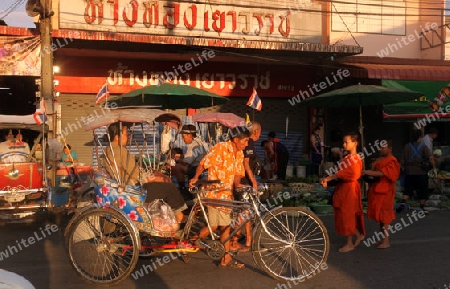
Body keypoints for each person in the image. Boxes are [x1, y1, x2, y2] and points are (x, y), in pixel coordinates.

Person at [189, 126, 250, 269]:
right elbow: (203, 164)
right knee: (225, 227)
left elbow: (236, 176)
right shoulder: (220, 148)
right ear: (236, 140)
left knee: (217, 227)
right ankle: (225, 258)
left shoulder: (240, 153)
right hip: (215, 193)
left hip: (227, 195)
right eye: (245, 141)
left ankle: (192, 242)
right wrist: (195, 177)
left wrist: (241, 187)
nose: (247, 144)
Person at [103, 122, 187, 223]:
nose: (128, 137)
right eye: (126, 134)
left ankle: (169, 215)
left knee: (162, 184)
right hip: (134, 190)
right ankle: (180, 217)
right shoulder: (120, 151)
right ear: (117, 137)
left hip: (127, 188)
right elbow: (136, 174)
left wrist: (152, 175)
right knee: (169, 188)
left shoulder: (109, 150)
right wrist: (154, 178)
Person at [320, 132, 365, 253]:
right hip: (344, 188)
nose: (344, 144)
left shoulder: (355, 159)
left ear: (355, 143)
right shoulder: (348, 158)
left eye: (347, 142)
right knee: (345, 214)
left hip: (349, 189)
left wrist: (328, 179)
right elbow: (340, 174)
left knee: (347, 215)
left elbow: (346, 174)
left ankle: (349, 243)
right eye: (344, 142)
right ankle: (358, 234)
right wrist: (328, 180)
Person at [362, 139, 400, 249]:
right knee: (380, 216)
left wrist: (368, 172)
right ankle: (383, 238)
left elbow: (383, 173)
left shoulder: (392, 160)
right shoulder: (381, 159)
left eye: (383, 147)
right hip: (377, 189)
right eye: (380, 147)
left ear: (390, 149)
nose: (381, 149)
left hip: (386, 191)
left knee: (385, 216)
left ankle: (386, 241)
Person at [398, 129, 434, 215]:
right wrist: (434, 168)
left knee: (408, 189)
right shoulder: (423, 146)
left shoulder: (406, 146)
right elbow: (431, 158)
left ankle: (403, 202)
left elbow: (402, 160)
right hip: (421, 172)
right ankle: (421, 208)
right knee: (423, 191)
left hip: (409, 172)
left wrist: (406, 167)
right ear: (420, 137)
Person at [171, 124, 209, 194]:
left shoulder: (194, 145)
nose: (183, 139)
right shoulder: (201, 141)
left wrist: (177, 160)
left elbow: (186, 162)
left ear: (189, 135)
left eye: (183, 137)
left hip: (200, 170)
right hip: (204, 168)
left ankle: (183, 190)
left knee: (178, 167)